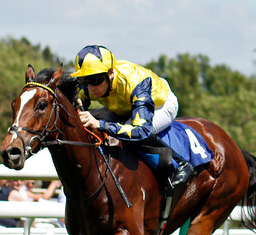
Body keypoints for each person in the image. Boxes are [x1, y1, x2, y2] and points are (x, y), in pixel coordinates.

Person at [70, 45, 193, 191]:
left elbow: (140, 130)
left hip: (159, 104)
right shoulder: (91, 85)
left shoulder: (135, 82)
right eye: (84, 81)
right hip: (124, 106)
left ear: (111, 73)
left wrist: (100, 124)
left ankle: (181, 164)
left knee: (129, 136)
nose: (90, 88)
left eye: (95, 80)